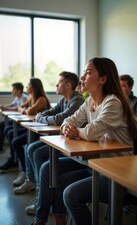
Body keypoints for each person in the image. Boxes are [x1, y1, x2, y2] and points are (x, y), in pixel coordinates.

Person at [32, 57, 137, 225]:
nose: (82, 78)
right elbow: (68, 121)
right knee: (48, 169)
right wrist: (67, 128)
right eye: (84, 73)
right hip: (96, 164)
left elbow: (91, 132)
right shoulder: (89, 102)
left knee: (70, 194)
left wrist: (76, 131)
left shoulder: (113, 102)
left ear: (103, 79)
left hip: (116, 172)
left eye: (88, 73)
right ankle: (46, 220)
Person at [13, 71, 85, 216]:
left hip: (74, 147)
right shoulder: (64, 100)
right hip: (65, 141)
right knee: (31, 148)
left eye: (59, 82)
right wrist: (43, 117)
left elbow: (59, 118)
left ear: (68, 85)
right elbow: (50, 113)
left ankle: (42, 194)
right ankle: (38, 188)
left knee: (36, 151)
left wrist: (41, 118)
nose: (56, 84)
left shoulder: (78, 100)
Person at [0, 78, 50, 176]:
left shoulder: (41, 99)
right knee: (9, 131)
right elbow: (20, 108)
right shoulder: (31, 97)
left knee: (15, 141)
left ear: (34, 87)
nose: (26, 87)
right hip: (32, 126)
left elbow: (29, 111)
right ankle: (14, 160)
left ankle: (24, 171)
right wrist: (25, 109)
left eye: (29, 85)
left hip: (40, 131)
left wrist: (26, 109)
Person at [0, 82, 28, 152]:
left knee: (7, 129)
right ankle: (1, 146)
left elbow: (18, 108)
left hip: (21, 122)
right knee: (2, 125)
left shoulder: (24, 98)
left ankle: (9, 152)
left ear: (19, 90)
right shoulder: (17, 97)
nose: (12, 91)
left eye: (13, 89)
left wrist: (5, 108)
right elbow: (12, 105)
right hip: (17, 120)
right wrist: (3, 106)